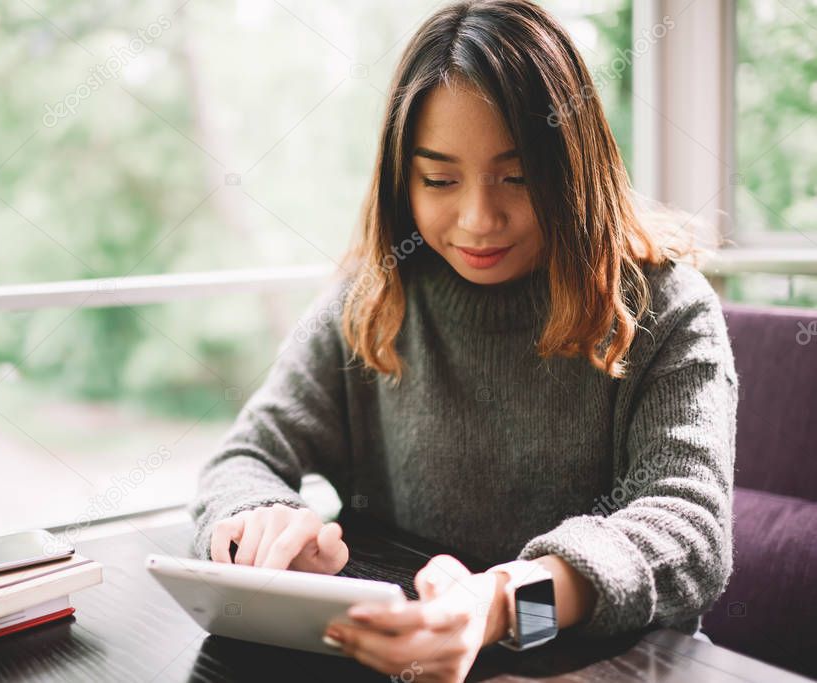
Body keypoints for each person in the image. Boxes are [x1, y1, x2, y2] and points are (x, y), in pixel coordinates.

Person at [188, 0, 737, 680]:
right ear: (401, 181)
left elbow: (689, 534)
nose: (479, 219)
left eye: (516, 176)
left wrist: (503, 606)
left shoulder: (666, 309)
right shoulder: (373, 297)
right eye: (439, 179)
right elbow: (242, 457)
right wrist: (260, 519)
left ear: (571, 165)